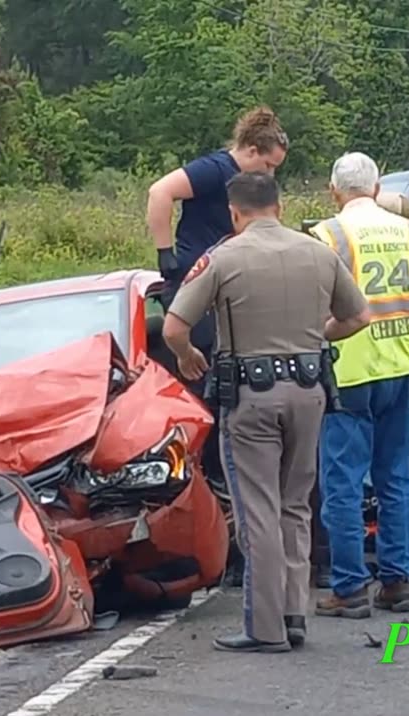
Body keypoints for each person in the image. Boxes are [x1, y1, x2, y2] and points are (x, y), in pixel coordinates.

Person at [163, 172, 371, 652]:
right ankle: (295, 613)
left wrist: (188, 357)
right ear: (278, 206)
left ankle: (265, 627)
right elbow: (358, 316)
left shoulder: (223, 257)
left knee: (258, 510)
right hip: (309, 391)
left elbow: (175, 325)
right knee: (296, 506)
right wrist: (317, 336)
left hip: (251, 399)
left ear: (235, 212)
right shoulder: (319, 252)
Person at [308, 152, 409, 618]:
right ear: (375, 190)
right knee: (397, 478)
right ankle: (397, 580)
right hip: (401, 368)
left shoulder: (326, 235)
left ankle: (349, 586)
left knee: (344, 484)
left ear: (335, 192)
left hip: (348, 374)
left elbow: (313, 310)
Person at [147, 107, 289, 586]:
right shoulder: (215, 169)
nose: (268, 175)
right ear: (250, 152)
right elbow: (160, 193)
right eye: (267, 165)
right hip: (195, 276)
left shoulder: (244, 187)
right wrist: (167, 256)